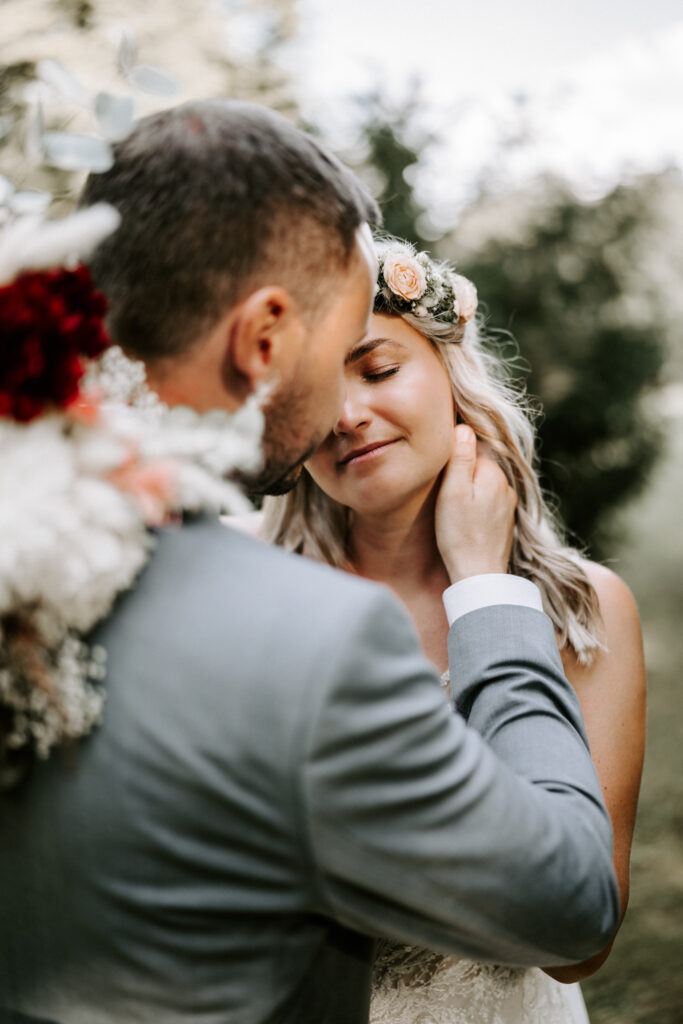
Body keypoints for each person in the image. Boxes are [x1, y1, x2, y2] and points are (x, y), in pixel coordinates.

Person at [0, 102, 619, 1024]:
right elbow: (574, 910)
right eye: (342, 352)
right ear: (263, 339)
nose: (341, 407)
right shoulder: (315, 643)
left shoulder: (30, 545)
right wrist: (490, 597)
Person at [252, 237, 646, 1023]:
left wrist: (482, 585)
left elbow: (577, 945)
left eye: (376, 368)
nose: (346, 415)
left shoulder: (581, 607)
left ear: (449, 371)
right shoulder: (254, 596)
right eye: (312, 391)